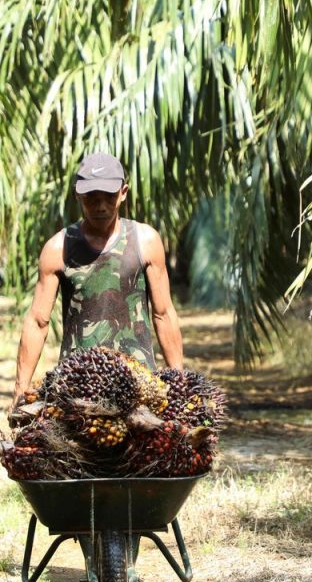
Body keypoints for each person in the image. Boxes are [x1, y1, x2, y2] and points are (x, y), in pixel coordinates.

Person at [10, 152, 184, 414]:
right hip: (77, 387)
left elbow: (163, 314)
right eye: (92, 198)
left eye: (109, 196)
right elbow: (37, 321)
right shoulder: (59, 248)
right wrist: (20, 392)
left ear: (123, 193)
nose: (101, 206)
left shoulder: (145, 241)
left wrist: (179, 385)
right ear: (78, 196)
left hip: (137, 386)